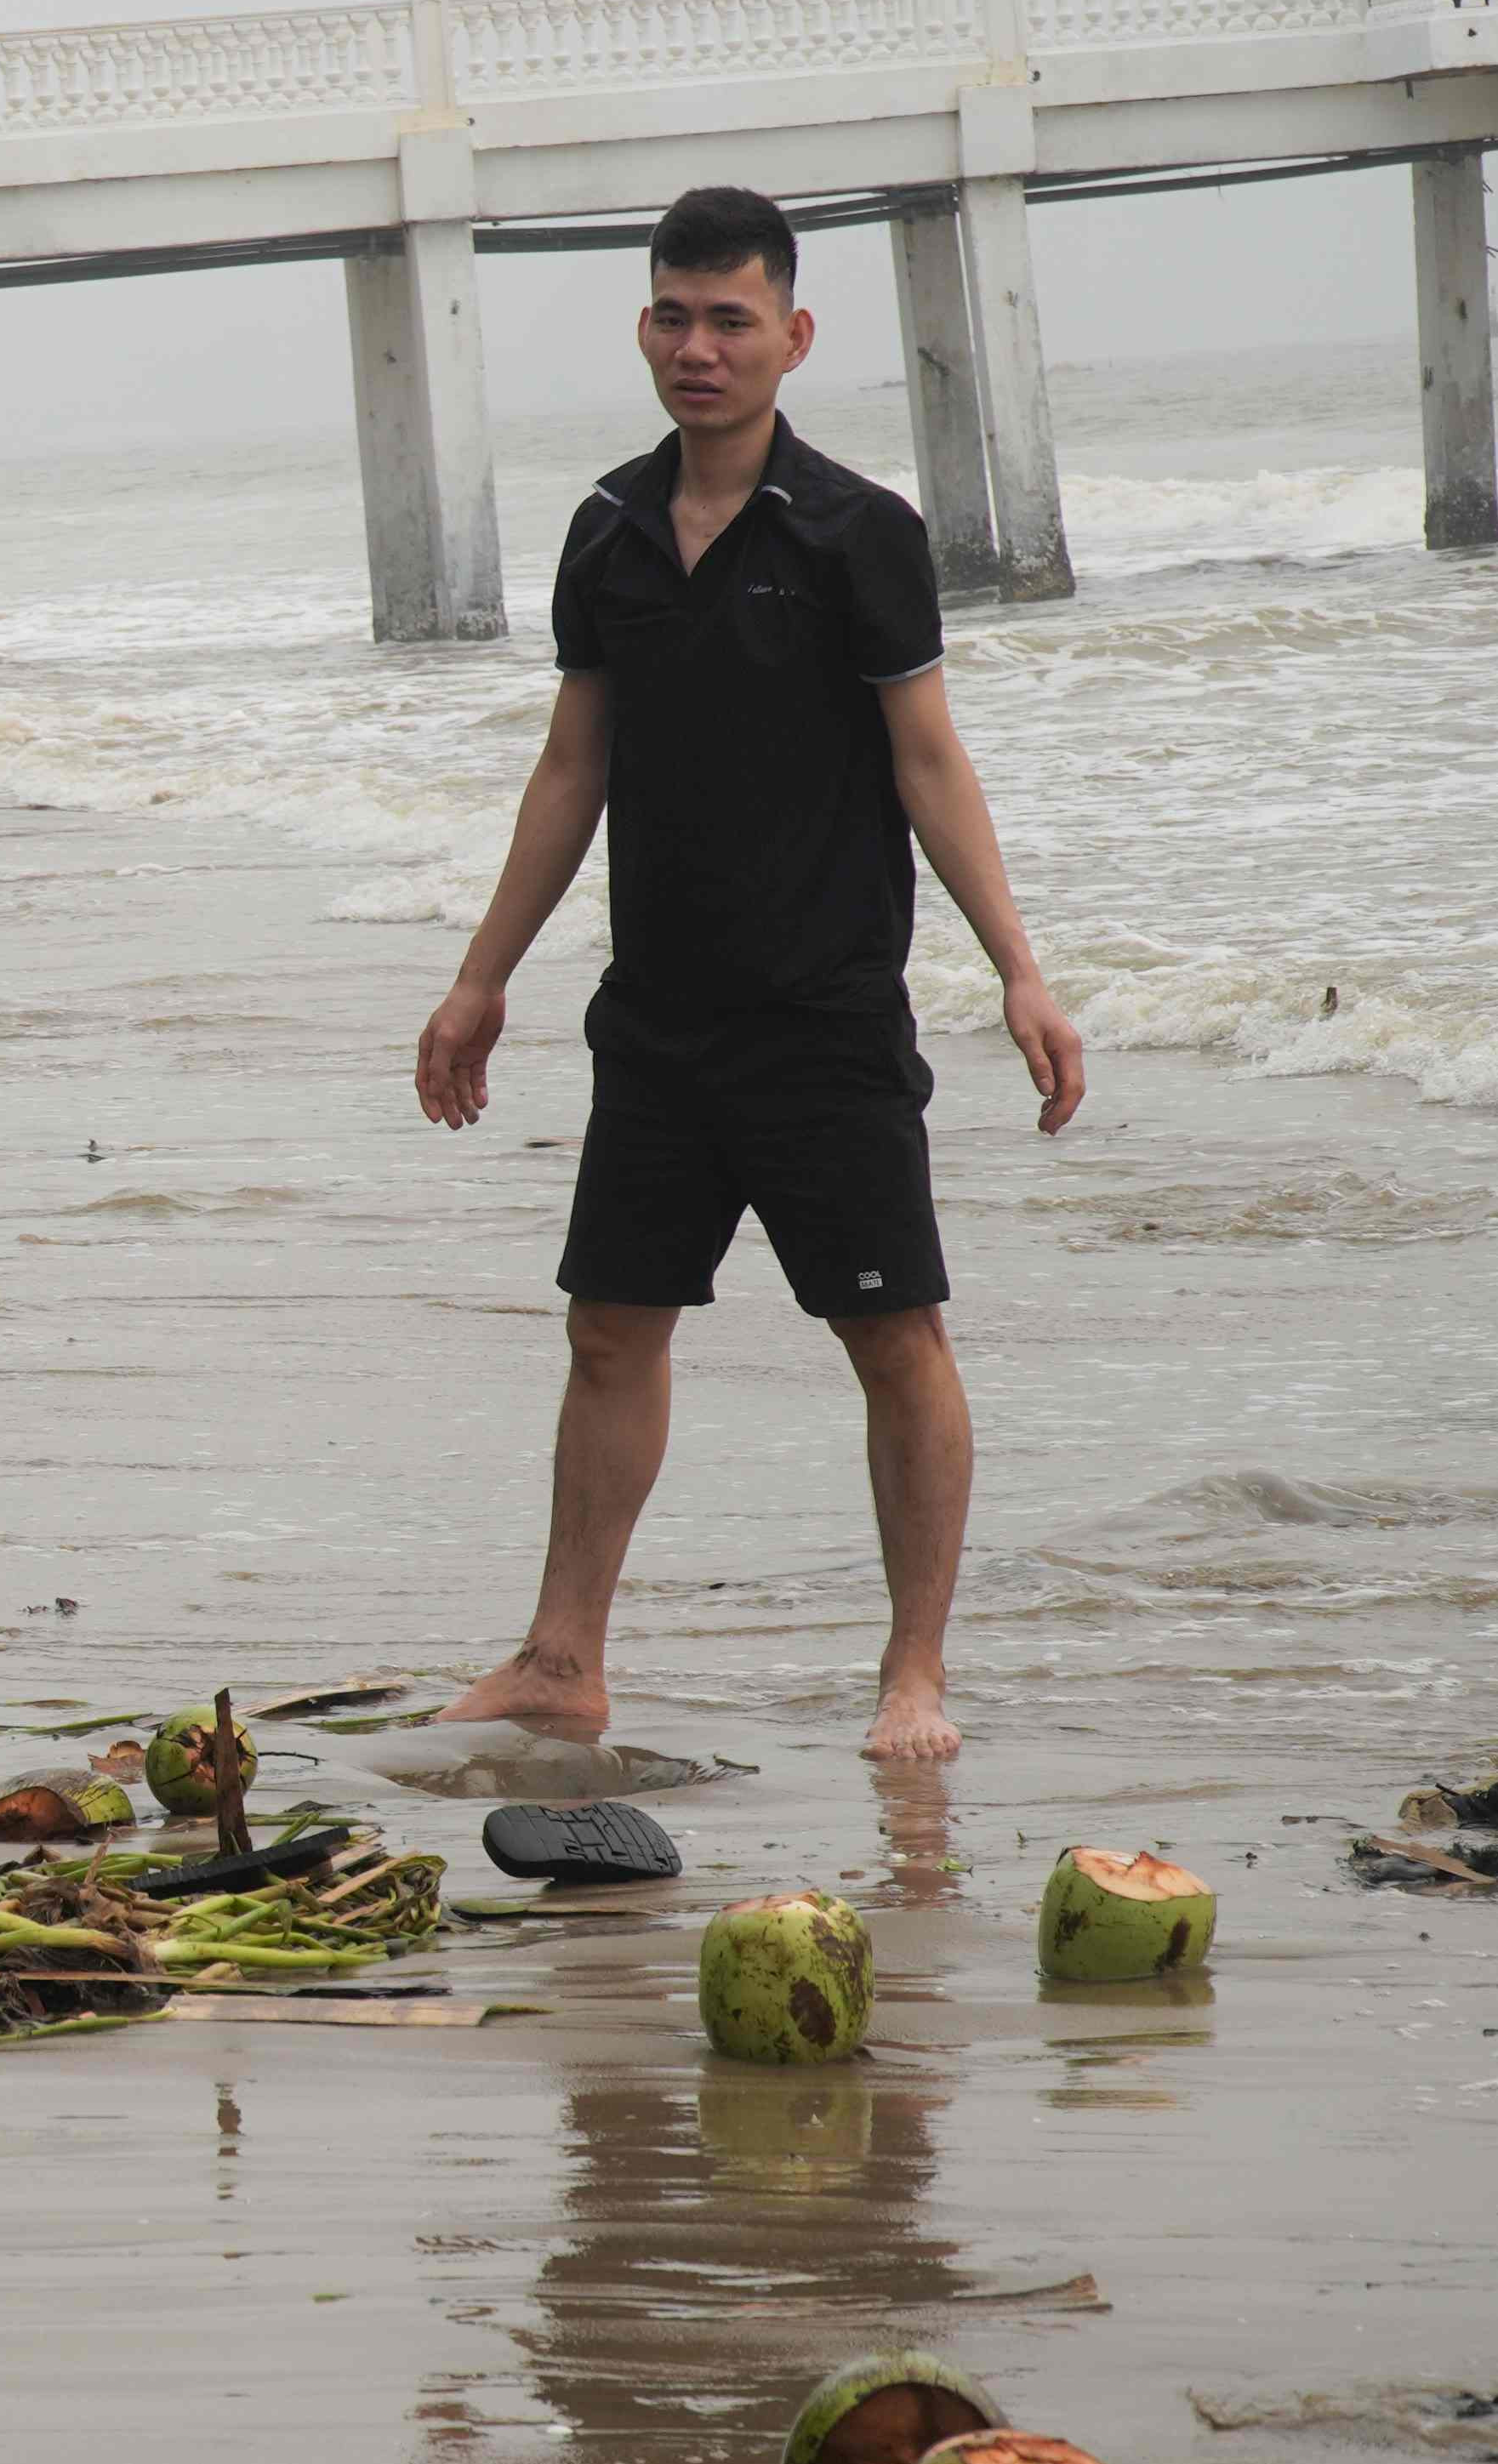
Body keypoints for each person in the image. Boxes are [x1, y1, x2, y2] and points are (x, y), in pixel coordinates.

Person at [412, 184, 1083, 1764]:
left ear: (791, 335)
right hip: (658, 1020)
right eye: (672, 315)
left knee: (894, 1334)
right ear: (644, 326)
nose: (697, 347)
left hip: (825, 1015)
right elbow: (574, 765)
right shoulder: (609, 528)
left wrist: (1022, 974)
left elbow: (929, 761)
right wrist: (481, 976)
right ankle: (562, 1660)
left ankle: (912, 1674)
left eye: (728, 320)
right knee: (608, 1327)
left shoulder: (863, 535)